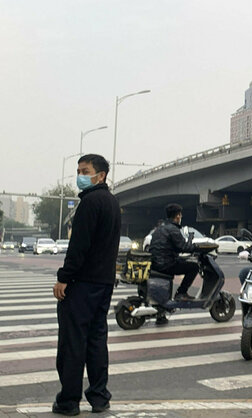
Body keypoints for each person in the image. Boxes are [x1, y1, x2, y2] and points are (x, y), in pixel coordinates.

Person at [52, 154, 121, 416]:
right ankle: (99, 397)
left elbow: (78, 248)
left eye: (85, 170)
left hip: (82, 284)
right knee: (96, 340)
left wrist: (64, 277)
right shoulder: (112, 202)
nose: (80, 175)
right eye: (79, 170)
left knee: (72, 343)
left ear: (100, 175)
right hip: (103, 283)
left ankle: (69, 401)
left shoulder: (90, 203)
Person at [149, 204, 199, 305]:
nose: (181, 217)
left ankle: (162, 313)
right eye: (180, 215)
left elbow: (173, 247)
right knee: (194, 267)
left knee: (183, 262)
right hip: (166, 264)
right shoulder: (173, 229)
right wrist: (196, 247)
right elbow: (183, 247)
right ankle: (181, 293)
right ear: (177, 216)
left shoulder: (159, 228)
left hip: (156, 263)